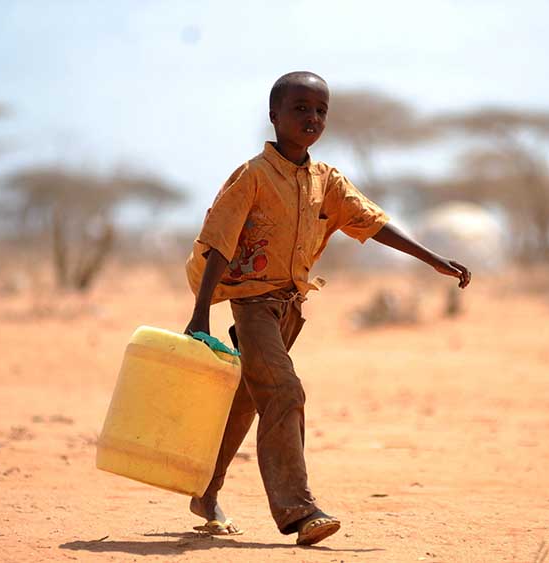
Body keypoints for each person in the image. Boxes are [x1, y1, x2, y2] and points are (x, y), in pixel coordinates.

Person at [183, 71, 471, 546]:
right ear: (274, 116)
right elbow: (219, 244)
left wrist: (432, 259)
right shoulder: (253, 176)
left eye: (320, 111)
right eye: (300, 109)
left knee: (248, 401)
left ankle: (205, 490)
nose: (312, 118)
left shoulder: (326, 180)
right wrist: (200, 315)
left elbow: (371, 223)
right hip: (251, 303)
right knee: (285, 392)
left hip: (289, 307)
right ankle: (300, 510)